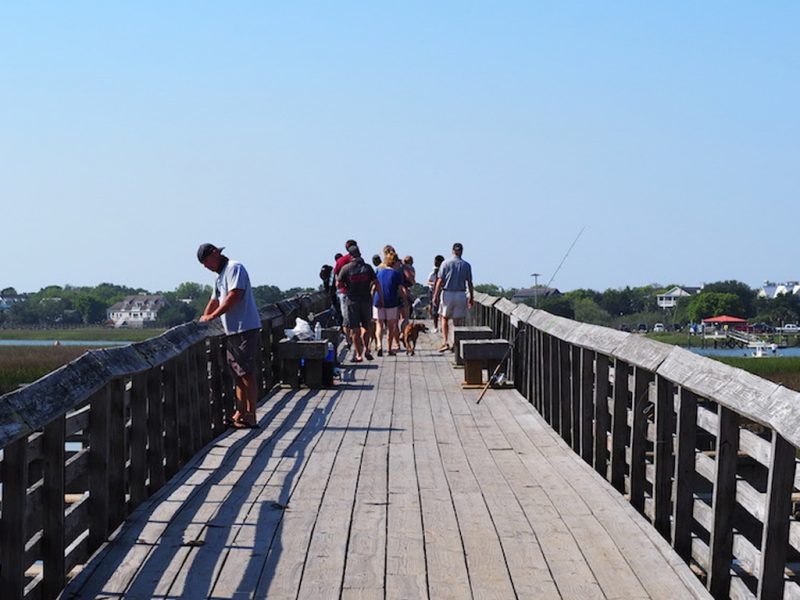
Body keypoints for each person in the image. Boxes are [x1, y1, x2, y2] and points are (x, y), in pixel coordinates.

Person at [197, 243, 261, 428]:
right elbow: (214, 300)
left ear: (215, 254)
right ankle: (240, 412)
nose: (205, 266)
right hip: (232, 330)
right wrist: (203, 319)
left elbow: (235, 295)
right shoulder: (219, 277)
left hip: (245, 327)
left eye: (206, 261)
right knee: (238, 373)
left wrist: (213, 316)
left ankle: (251, 415)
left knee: (246, 373)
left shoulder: (234, 267)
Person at [337, 245, 383, 362]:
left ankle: (358, 354)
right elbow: (376, 282)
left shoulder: (346, 269)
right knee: (366, 327)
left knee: (355, 329)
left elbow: (339, 285)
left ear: (350, 256)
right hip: (366, 300)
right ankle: (367, 348)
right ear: (360, 254)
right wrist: (380, 297)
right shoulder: (367, 268)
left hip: (352, 301)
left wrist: (347, 287)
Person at [433, 242, 474, 352]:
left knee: (444, 318)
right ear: (461, 251)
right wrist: (471, 297)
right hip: (461, 294)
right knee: (457, 321)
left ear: (452, 251)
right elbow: (469, 282)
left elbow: (440, 280)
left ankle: (446, 341)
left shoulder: (445, 263)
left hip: (447, 293)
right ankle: (454, 343)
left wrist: (435, 295)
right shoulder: (466, 265)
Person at [374, 247, 407, 356]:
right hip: (391, 301)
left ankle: (379, 344)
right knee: (391, 326)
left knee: (379, 324)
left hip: (378, 300)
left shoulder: (379, 272)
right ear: (394, 262)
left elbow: (374, 287)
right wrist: (405, 300)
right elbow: (401, 289)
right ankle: (389, 348)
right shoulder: (396, 274)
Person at [333, 241, 358, 343]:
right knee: (356, 317)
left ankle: (348, 340)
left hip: (344, 291)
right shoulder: (359, 261)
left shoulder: (341, 261)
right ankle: (355, 337)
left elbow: (335, 274)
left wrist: (338, 284)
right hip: (357, 291)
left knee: (346, 318)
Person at [426, 254, 445, 333]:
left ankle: (441, 326)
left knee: (441, 310)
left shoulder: (443, 272)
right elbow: (428, 281)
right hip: (432, 291)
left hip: (441, 291)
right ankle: (436, 326)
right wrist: (434, 283)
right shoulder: (432, 273)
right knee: (434, 309)